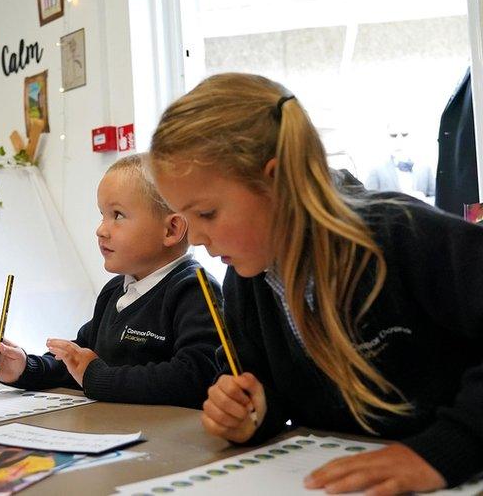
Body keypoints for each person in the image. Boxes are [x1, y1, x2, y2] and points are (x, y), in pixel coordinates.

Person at [150, 72, 483, 493]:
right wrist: (253, 410)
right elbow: (275, 390)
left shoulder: (404, 234)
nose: (195, 238)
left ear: (275, 180)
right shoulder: (246, 281)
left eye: (208, 214)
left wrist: (445, 448)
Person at [0, 154, 221, 407]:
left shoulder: (194, 291)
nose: (100, 229)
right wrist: (25, 367)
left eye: (117, 215)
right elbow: (77, 362)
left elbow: (196, 376)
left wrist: (96, 377)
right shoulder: (115, 292)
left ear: (171, 230)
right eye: (102, 215)